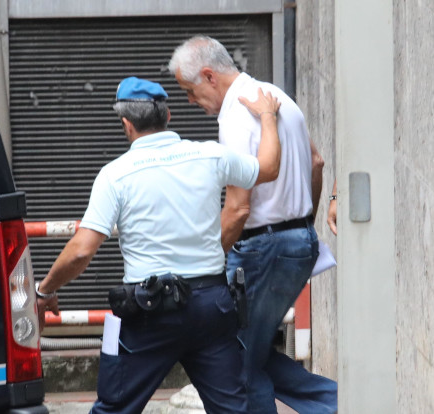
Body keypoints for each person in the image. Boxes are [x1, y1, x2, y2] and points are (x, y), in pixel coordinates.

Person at [35, 76, 282, 414]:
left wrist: (45, 290)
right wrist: (268, 115)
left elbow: (81, 250)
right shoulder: (209, 155)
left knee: (114, 407)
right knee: (232, 409)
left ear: (126, 124)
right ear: (168, 116)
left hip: (146, 311)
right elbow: (269, 168)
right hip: (213, 306)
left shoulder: (115, 174)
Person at [169, 36, 338, 414]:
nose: (192, 103)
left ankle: (340, 402)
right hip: (294, 243)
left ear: (209, 76)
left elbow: (238, 208)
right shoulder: (275, 96)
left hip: (263, 249)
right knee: (248, 351)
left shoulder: (235, 115)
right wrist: (300, 227)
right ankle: (338, 402)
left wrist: (205, 260)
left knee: (234, 364)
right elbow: (316, 162)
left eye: (190, 92)